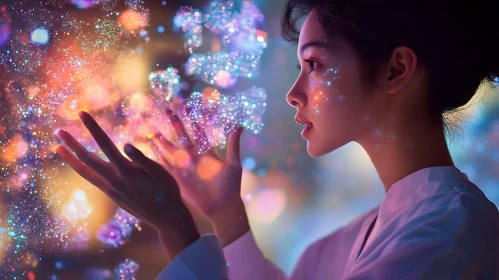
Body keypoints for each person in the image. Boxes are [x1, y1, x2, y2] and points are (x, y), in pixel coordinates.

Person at [55, 0, 499, 279]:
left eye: (315, 65)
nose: (294, 93)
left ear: (395, 69)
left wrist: (176, 225)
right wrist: (227, 217)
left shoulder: (445, 235)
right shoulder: (354, 239)